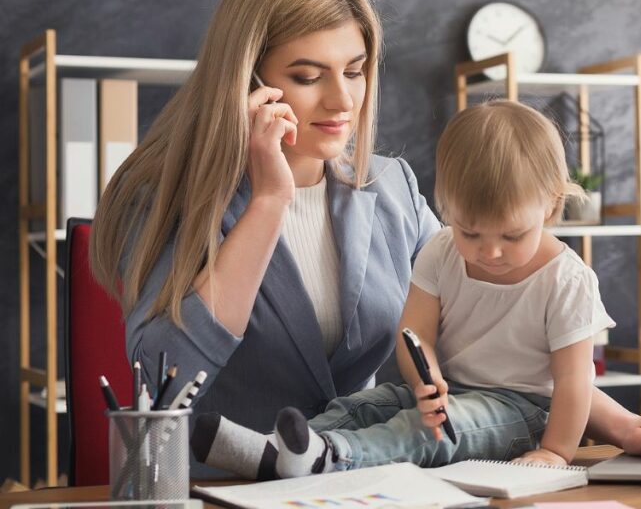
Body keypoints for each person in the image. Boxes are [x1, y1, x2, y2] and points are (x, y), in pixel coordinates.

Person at [89, 0, 641, 478]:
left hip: (368, 484)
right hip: (220, 490)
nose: (341, 99)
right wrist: (268, 201)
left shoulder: (392, 190)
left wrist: (623, 425)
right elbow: (165, 382)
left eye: (356, 69)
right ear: (250, 83)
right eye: (308, 75)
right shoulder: (165, 196)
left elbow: (491, 352)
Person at [192, 100, 615, 477]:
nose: (490, 252)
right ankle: (278, 448)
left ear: (552, 205)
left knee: (422, 429)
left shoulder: (566, 279)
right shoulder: (441, 251)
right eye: (470, 232)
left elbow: (574, 381)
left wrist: (556, 452)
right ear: (446, 204)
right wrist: (424, 382)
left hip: (521, 411)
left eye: (511, 236)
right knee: (363, 405)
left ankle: (331, 456)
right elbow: (415, 337)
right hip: (450, 392)